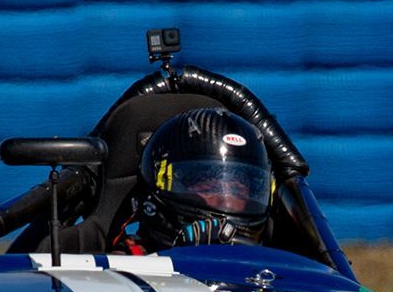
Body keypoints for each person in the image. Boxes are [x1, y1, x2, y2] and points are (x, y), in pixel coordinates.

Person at [112, 108, 274, 254]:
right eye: (209, 188)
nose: (228, 202)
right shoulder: (125, 266)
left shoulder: (272, 273)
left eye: (238, 191)